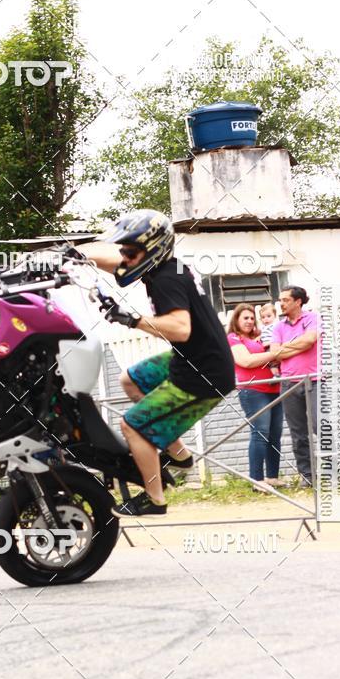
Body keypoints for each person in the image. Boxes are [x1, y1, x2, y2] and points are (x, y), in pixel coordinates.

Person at [83, 209, 236, 517]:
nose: (125, 258)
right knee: (130, 380)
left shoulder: (167, 280)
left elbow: (181, 329)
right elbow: (115, 258)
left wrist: (133, 319)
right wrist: (77, 255)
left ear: (151, 250)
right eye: (125, 250)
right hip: (191, 358)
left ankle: (155, 499)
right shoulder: (162, 266)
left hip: (204, 373)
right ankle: (178, 454)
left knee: (133, 426)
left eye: (130, 252)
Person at [227, 304, 285, 490]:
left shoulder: (262, 337)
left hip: (274, 389)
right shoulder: (233, 338)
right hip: (252, 391)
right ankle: (256, 480)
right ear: (236, 319)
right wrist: (274, 353)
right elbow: (246, 361)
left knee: (275, 435)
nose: (250, 321)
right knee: (260, 433)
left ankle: (272, 477)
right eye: (245, 318)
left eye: (252, 318)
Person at [269, 286, 322, 487]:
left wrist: (284, 348)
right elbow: (275, 353)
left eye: (285, 300)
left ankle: (335, 474)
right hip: (289, 383)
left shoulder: (312, 318)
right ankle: (308, 477)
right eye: (280, 300)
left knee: (321, 426)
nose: (281, 303)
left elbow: (309, 341)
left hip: (316, 379)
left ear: (298, 301)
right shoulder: (278, 327)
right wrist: (289, 348)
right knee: (298, 433)